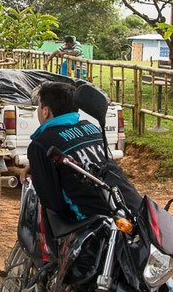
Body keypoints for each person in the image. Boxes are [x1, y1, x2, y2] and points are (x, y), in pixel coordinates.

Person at [19, 81, 142, 219]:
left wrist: (39, 171)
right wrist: (37, 166)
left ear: (46, 111)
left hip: (100, 225)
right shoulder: (92, 128)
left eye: (39, 106)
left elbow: (53, 203)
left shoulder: (40, 144)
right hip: (135, 210)